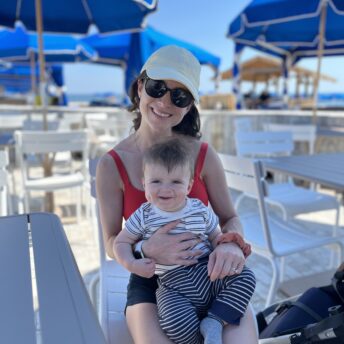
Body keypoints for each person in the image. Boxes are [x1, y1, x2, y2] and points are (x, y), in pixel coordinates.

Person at [96, 45, 259, 344]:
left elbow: (229, 217)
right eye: (157, 87)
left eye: (179, 95)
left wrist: (231, 246)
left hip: (210, 274)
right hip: (151, 280)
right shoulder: (111, 165)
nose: (164, 101)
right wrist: (145, 250)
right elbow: (110, 240)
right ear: (140, 87)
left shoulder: (203, 155)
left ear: (188, 107)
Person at [113, 138, 256, 344]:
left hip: (208, 273)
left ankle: (215, 321)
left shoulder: (199, 208)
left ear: (189, 186)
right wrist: (134, 262)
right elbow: (120, 242)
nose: (166, 189)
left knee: (246, 277)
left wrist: (228, 244)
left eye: (176, 182)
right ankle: (201, 338)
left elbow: (215, 235)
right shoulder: (143, 216)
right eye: (156, 181)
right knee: (173, 321)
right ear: (144, 184)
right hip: (172, 284)